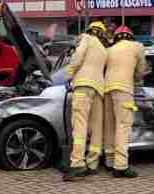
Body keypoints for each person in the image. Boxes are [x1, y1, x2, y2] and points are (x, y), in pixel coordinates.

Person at [62, 21, 108, 181]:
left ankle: (77, 164)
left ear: (90, 30)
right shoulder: (103, 49)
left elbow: (77, 57)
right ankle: (92, 163)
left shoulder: (86, 39)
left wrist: (68, 75)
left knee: (80, 126)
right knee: (96, 128)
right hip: (98, 89)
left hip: (83, 86)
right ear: (102, 33)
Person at [104, 25, 146, 178]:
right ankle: (120, 166)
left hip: (106, 89)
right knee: (123, 127)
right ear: (130, 36)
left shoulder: (109, 50)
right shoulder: (137, 47)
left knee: (109, 126)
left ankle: (109, 161)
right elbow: (141, 70)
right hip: (124, 90)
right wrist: (135, 79)